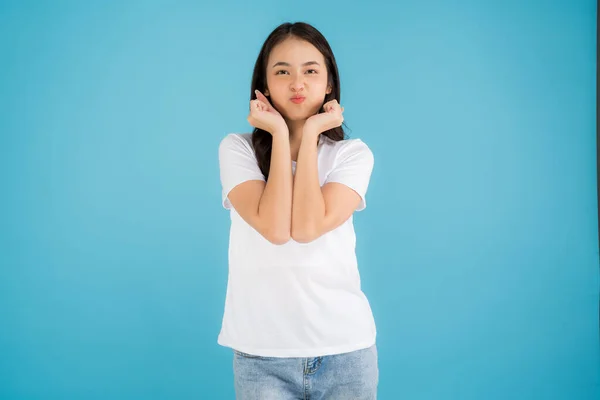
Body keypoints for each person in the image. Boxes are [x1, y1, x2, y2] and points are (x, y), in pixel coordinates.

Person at [218, 21, 378, 399]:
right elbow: (275, 229)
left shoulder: (352, 155)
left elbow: (307, 228)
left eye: (310, 71)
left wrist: (308, 136)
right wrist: (276, 134)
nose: (297, 83)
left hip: (345, 352)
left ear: (329, 85)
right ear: (264, 85)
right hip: (261, 356)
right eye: (282, 72)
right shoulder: (236, 150)